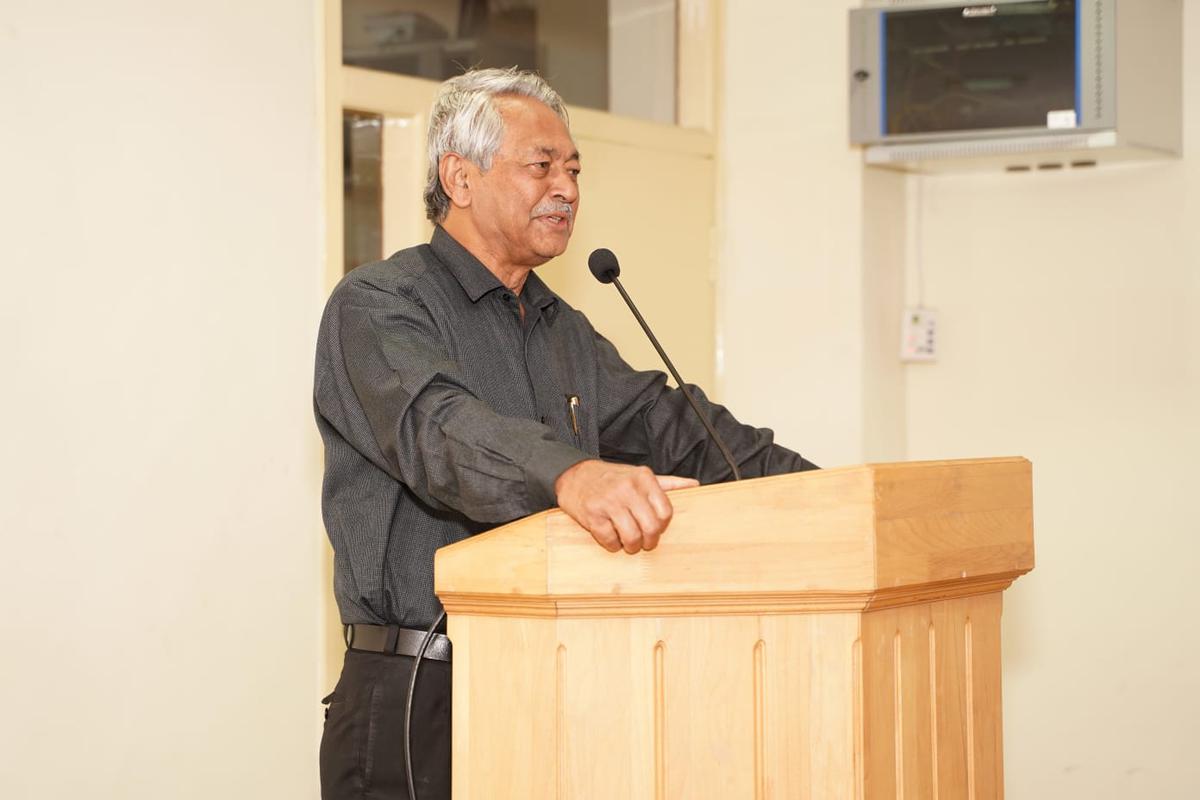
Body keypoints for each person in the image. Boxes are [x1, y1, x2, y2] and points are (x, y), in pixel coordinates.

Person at [313, 67, 818, 800]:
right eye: (542, 165)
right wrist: (572, 475)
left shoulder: (562, 330)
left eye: (575, 168)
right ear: (460, 177)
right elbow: (442, 432)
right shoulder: (379, 305)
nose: (568, 188)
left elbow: (681, 429)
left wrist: (836, 494)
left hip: (559, 679)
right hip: (417, 695)